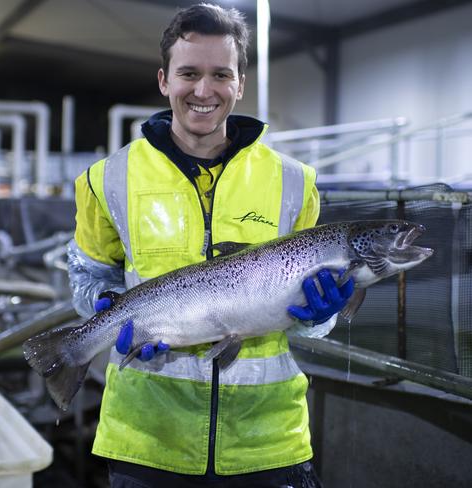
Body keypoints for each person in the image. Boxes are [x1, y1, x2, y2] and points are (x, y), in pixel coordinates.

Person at [67, 3, 353, 487]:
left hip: (266, 440)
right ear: (164, 80)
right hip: (147, 436)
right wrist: (103, 305)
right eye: (189, 73)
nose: (204, 91)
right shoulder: (106, 178)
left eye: (221, 74)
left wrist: (322, 314)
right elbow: (86, 279)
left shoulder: (294, 181)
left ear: (240, 83)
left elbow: (304, 318)